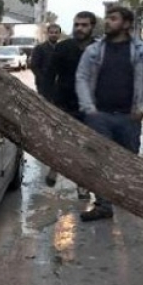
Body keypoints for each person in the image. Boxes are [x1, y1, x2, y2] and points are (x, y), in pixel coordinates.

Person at [75, 6, 143, 221]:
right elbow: (82, 77)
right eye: (107, 18)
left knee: (127, 161)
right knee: (98, 162)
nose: (108, 22)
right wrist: (89, 109)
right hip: (100, 116)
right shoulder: (94, 50)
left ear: (127, 23)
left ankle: (125, 200)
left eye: (113, 18)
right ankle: (103, 204)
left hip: (129, 117)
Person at [43, 12, 97, 199]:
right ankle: (55, 168)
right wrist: (47, 99)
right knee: (61, 140)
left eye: (84, 25)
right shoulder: (63, 47)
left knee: (86, 147)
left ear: (92, 27)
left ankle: (83, 184)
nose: (80, 28)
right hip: (63, 102)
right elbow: (49, 75)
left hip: (89, 105)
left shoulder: (98, 48)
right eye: (77, 24)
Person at [31, 24, 62, 99]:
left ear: (59, 34)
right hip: (43, 85)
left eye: (56, 32)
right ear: (47, 34)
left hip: (59, 85)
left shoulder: (62, 48)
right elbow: (34, 66)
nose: (53, 35)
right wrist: (42, 79)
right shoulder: (40, 48)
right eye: (51, 32)